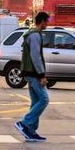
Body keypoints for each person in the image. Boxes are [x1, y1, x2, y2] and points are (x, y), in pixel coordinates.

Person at [15, 11, 50, 142]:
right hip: (33, 73)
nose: (48, 24)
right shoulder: (35, 35)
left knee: (36, 101)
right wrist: (42, 75)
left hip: (29, 72)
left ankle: (31, 131)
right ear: (42, 22)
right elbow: (36, 57)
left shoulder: (31, 33)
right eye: (47, 21)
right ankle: (25, 123)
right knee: (44, 99)